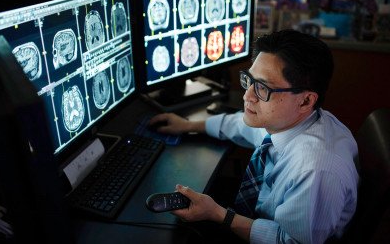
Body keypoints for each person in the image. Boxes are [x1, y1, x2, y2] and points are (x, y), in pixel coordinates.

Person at [149, 29, 359, 244]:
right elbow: (241, 125)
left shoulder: (316, 169)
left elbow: (290, 241)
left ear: (305, 101)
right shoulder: (289, 119)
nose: (247, 95)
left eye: (262, 87)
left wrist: (218, 214)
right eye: (249, 80)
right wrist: (188, 125)